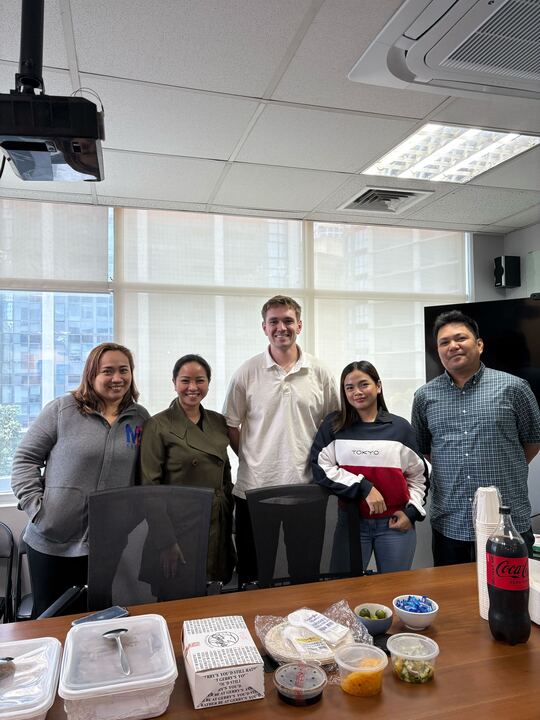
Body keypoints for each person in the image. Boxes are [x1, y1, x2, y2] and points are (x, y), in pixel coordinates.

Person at [11, 342, 149, 617]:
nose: (117, 378)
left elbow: (142, 474)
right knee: (50, 619)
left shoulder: (139, 418)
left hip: (106, 544)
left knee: (96, 617)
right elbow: (25, 459)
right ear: (91, 374)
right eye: (107, 371)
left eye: (124, 370)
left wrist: (128, 517)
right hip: (52, 541)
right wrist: (38, 510)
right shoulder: (62, 410)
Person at [223, 295, 339, 586]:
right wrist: (253, 458)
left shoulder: (320, 372)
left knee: (305, 576)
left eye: (288, 320)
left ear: (299, 325)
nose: (281, 327)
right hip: (255, 490)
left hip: (307, 488)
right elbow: (231, 424)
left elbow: (333, 425)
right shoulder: (246, 372)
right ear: (264, 327)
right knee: (252, 578)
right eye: (273, 321)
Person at [411, 309, 540, 566]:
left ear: (479, 345)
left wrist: (504, 465)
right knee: (454, 591)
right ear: (438, 351)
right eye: (444, 342)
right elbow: (425, 449)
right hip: (451, 522)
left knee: (511, 590)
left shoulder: (514, 388)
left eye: (460, 338)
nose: (453, 346)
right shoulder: (424, 397)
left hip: (507, 521)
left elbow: (533, 441)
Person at [311, 360, 429, 574]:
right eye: (349, 387)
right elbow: (321, 468)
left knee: (394, 588)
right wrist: (365, 487)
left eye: (364, 384)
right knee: (344, 587)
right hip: (351, 523)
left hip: (394, 524)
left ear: (378, 386)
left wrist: (411, 512)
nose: (357, 392)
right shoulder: (334, 426)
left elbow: (419, 477)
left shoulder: (400, 428)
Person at [140, 354, 235, 593]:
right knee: (178, 600)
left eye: (200, 380)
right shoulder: (158, 425)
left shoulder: (217, 421)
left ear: (208, 383)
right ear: (174, 383)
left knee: (214, 598)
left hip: (217, 525)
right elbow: (149, 489)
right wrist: (166, 542)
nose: (193, 387)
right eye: (185, 381)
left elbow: (225, 474)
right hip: (178, 529)